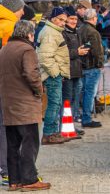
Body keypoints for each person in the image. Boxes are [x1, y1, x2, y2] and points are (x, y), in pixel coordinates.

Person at [0, 20, 51, 191]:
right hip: (25, 105)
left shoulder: (4, 49)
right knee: (30, 143)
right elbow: (31, 74)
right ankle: (29, 180)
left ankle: (14, 181)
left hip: (8, 103)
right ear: (29, 34)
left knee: (12, 144)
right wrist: (39, 90)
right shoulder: (27, 49)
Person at [0, 0, 25, 185]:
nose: (23, 12)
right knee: (6, 126)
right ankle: (7, 170)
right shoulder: (9, 27)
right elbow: (12, 58)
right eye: (21, 8)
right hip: (5, 83)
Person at [37, 7, 70, 144]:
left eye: (65, 20)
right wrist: (56, 73)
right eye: (61, 20)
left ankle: (53, 132)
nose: (63, 23)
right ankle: (49, 134)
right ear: (53, 19)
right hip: (52, 75)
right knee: (54, 104)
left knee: (56, 104)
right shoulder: (50, 33)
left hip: (54, 74)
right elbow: (45, 58)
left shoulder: (53, 31)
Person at [62, 6, 89, 125]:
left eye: (75, 19)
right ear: (66, 19)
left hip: (77, 71)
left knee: (75, 100)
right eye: (71, 18)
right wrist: (77, 52)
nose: (74, 21)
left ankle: (71, 125)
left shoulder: (76, 32)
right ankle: (66, 126)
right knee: (67, 101)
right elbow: (61, 53)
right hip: (67, 72)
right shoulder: (63, 33)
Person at [79, 9, 104, 128]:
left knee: (82, 93)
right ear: (94, 18)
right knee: (89, 94)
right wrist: (100, 64)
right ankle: (87, 118)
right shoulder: (93, 32)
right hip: (92, 66)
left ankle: (81, 116)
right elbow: (97, 51)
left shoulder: (80, 29)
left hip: (81, 66)